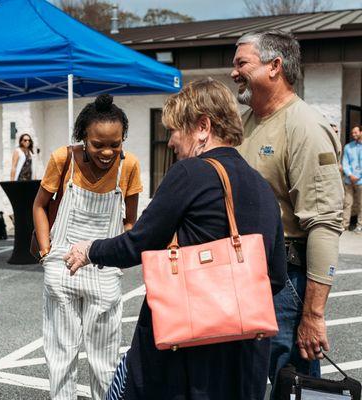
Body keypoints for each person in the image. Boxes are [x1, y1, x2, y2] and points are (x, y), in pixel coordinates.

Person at [64, 78, 287, 400]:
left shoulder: (191, 173)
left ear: (202, 126)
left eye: (173, 130)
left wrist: (90, 250)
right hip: (245, 356)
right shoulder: (261, 185)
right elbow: (275, 276)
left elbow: (138, 243)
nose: (170, 141)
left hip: (186, 349)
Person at [231, 30, 344, 397]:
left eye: (241, 63)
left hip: (287, 285)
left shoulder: (305, 127)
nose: (233, 73)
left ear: (274, 67)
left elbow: (326, 224)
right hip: (246, 278)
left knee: (291, 385)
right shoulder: (246, 124)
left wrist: (313, 315)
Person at [33, 94, 143, 400]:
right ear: (83, 138)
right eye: (98, 144)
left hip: (104, 271)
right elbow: (39, 206)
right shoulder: (63, 159)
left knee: (105, 362)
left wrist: (119, 261)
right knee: (60, 357)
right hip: (62, 269)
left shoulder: (129, 166)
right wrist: (46, 254)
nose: (107, 152)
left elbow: (130, 222)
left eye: (115, 144)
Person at [342, 126, 362, 233]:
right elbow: (345, 162)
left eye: (355, 132)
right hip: (349, 180)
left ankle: (360, 225)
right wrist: (350, 175)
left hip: (361, 180)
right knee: (347, 203)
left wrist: (358, 176)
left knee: (361, 204)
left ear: (360, 132)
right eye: (352, 132)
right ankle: (345, 225)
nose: (353, 134)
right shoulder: (348, 147)